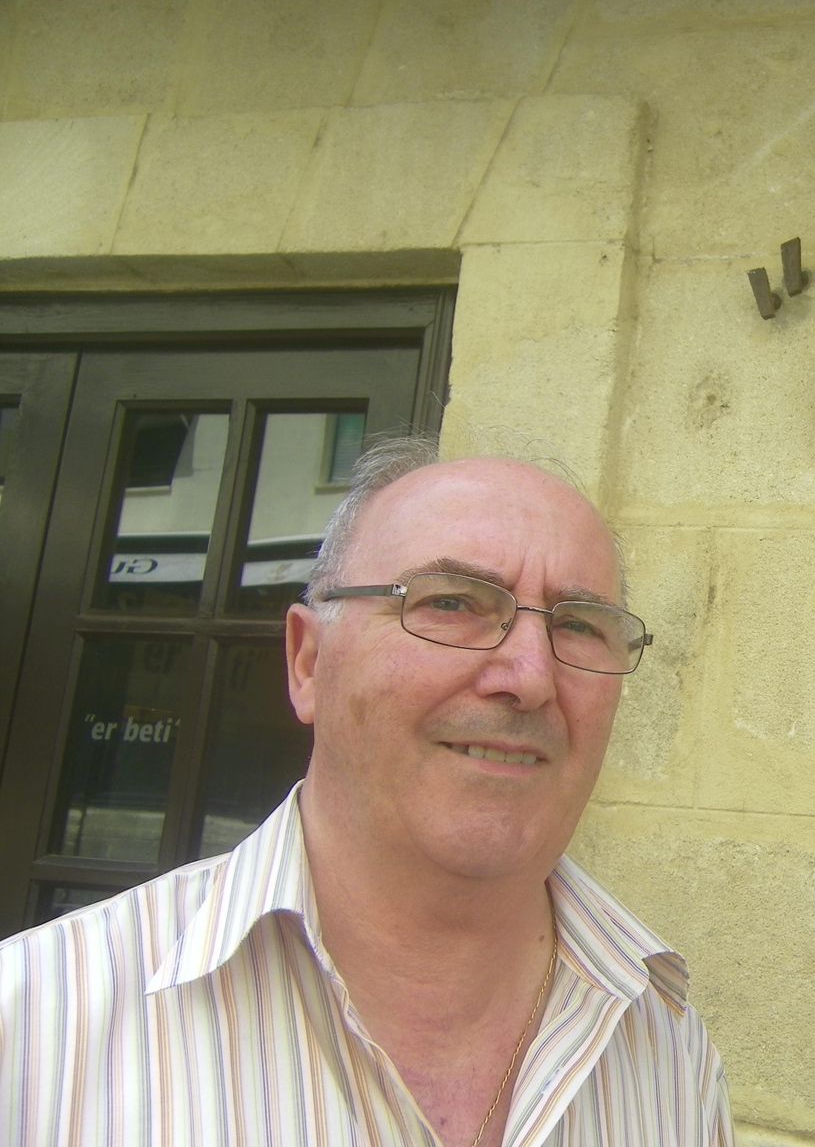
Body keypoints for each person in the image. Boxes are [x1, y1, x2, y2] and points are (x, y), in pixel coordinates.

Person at [0, 437, 731, 1146]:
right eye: (451, 603)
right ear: (308, 660)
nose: (530, 677)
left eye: (577, 625)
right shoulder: (33, 1030)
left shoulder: (665, 1046)